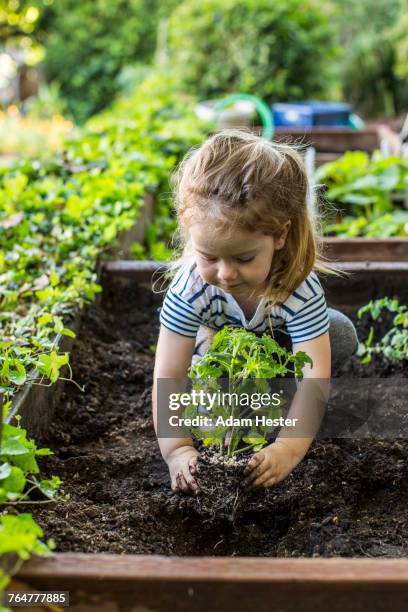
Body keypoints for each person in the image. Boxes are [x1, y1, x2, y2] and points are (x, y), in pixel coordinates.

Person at [152, 128, 358, 495]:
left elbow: (314, 381)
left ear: (279, 236)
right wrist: (177, 449)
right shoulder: (190, 288)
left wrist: (287, 448)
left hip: (275, 352)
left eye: (244, 258)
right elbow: (168, 374)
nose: (226, 274)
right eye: (209, 257)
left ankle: (275, 399)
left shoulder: (298, 287)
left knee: (338, 332)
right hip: (225, 358)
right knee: (213, 390)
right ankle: (215, 363)